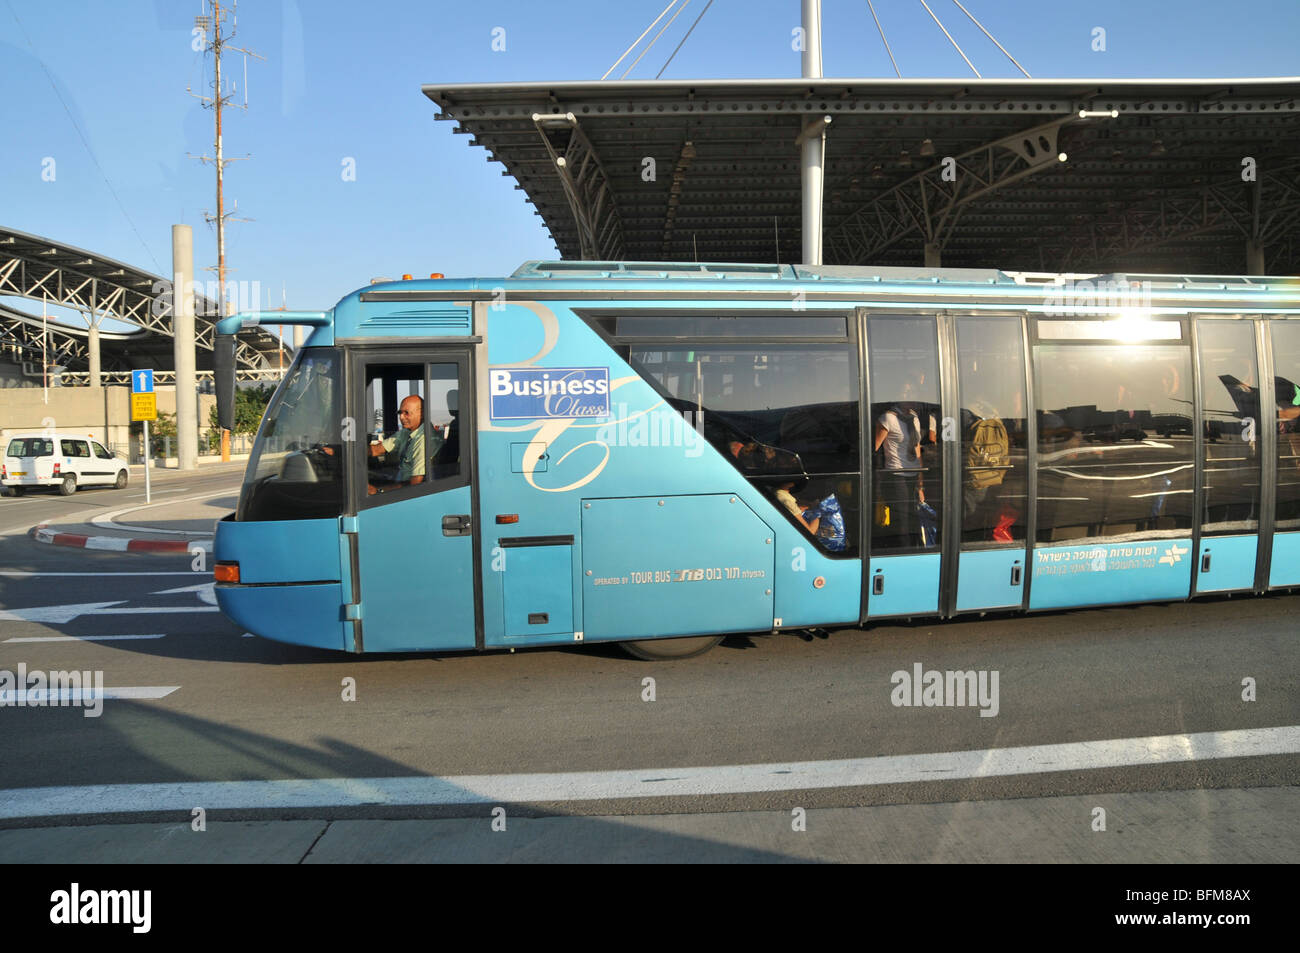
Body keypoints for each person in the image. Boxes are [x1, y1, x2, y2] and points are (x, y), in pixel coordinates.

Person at [367, 394, 425, 495]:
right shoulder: (406, 432)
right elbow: (376, 450)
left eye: (406, 413)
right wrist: (340, 451)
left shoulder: (424, 440)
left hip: (409, 495)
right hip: (400, 483)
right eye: (400, 413)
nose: (401, 417)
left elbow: (416, 484)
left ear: (422, 413)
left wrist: (379, 490)